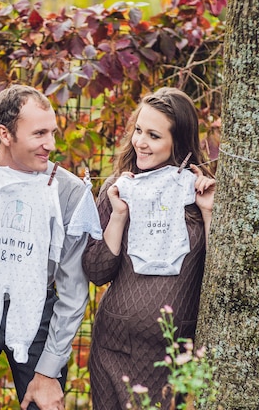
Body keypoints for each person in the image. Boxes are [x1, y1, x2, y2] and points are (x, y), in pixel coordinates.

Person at [0, 85, 101, 410]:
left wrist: (49, 370)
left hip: (40, 311)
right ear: (5, 133)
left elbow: (73, 290)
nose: (51, 145)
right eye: (39, 133)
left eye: (53, 133)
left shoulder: (69, 192)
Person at [82, 87, 216, 409]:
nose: (140, 142)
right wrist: (118, 215)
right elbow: (96, 272)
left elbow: (220, 273)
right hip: (114, 348)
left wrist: (209, 211)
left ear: (178, 142)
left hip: (171, 354)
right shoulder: (119, 188)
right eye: (139, 131)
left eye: (153, 135)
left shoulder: (201, 195)